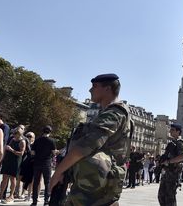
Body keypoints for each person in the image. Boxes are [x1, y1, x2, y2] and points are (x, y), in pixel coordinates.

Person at [49, 73, 132, 206]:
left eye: (94, 86)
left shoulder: (114, 114)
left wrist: (58, 172)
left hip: (96, 189)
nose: (90, 90)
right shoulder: (110, 112)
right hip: (96, 184)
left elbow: (85, 146)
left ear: (107, 89)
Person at [157, 123, 183, 206]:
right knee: (161, 196)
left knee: (170, 198)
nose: (170, 131)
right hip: (167, 173)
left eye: (172, 130)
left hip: (173, 174)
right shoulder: (173, 143)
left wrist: (169, 161)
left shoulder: (180, 143)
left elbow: (181, 157)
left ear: (178, 132)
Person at [0, 128, 26, 203]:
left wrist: (11, 150)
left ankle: (11, 195)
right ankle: (1, 194)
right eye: (13, 133)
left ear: (19, 134)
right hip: (7, 160)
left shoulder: (22, 141)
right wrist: (1, 161)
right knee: (4, 178)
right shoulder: (12, 139)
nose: (13, 135)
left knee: (12, 179)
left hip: (15, 161)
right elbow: (6, 150)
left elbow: (21, 153)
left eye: (15, 134)